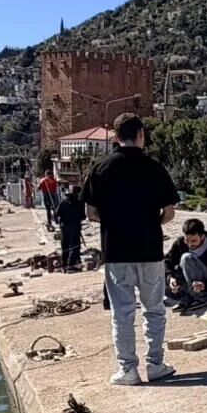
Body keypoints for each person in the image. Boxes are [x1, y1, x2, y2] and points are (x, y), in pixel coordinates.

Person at [82, 114, 179, 385]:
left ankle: (128, 370)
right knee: (154, 310)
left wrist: (114, 222)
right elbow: (169, 213)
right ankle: (155, 365)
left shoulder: (101, 168)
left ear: (115, 138)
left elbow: (91, 212)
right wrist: (151, 224)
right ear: (141, 135)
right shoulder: (154, 168)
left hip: (117, 251)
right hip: (150, 250)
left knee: (122, 314)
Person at [164, 218, 207, 308]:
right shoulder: (180, 243)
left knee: (187, 258)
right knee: (157, 269)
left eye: (194, 241)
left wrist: (205, 286)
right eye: (187, 240)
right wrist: (170, 278)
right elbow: (167, 262)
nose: (190, 244)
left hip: (206, 286)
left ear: (202, 237)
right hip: (187, 285)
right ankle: (185, 298)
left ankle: (202, 297)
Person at [56, 184, 86, 271]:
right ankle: (71, 264)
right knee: (74, 246)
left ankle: (64, 265)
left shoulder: (63, 202)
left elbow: (57, 213)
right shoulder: (80, 203)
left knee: (65, 246)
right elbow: (83, 216)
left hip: (64, 227)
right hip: (75, 227)